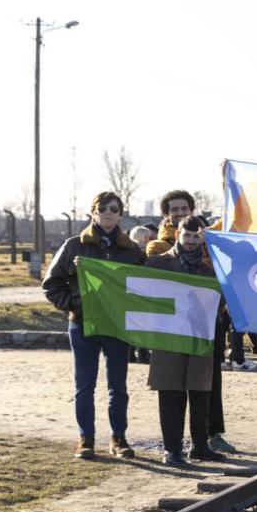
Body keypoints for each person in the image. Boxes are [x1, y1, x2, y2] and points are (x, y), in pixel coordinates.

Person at [43, 191, 147, 460]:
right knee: (85, 385)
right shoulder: (74, 245)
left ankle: (119, 438)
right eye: (102, 208)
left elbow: (144, 287)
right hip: (83, 324)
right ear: (93, 212)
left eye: (113, 208)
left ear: (121, 214)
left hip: (116, 325)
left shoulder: (131, 250)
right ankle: (85, 439)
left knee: (118, 386)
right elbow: (51, 285)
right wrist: (76, 305)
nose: (108, 212)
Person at [142, 216, 225, 465]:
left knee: (200, 394)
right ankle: (173, 450)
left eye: (196, 236)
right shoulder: (157, 264)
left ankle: (200, 446)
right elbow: (140, 292)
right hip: (167, 337)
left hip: (199, 337)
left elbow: (219, 303)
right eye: (186, 235)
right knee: (170, 394)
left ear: (202, 238)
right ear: (177, 235)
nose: (191, 240)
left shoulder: (209, 271)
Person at [143, 190, 196, 257]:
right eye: (175, 209)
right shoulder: (156, 246)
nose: (180, 213)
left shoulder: (206, 241)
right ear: (166, 215)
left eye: (184, 208)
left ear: (191, 212)